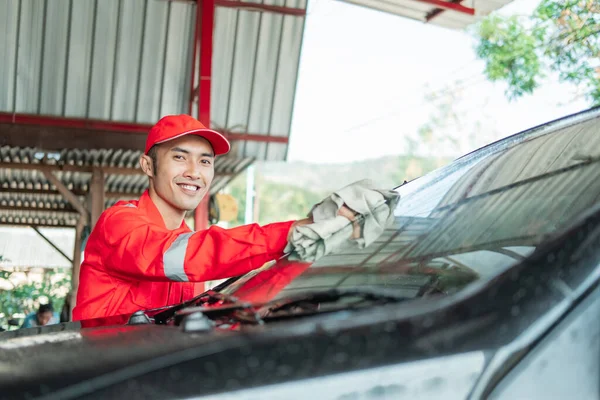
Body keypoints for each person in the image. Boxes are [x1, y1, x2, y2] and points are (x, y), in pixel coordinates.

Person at [73, 115, 355, 321]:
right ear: (148, 165)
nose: (195, 172)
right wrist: (294, 231)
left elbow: (182, 319)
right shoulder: (119, 222)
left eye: (205, 161)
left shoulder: (188, 255)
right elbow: (186, 254)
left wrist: (300, 263)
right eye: (180, 158)